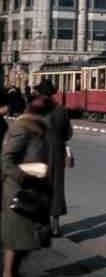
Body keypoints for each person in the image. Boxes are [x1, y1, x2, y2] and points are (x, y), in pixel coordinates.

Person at [2, 95, 55, 277]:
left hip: (32, 191)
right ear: (42, 115)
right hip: (19, 193)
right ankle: (9, 274)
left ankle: (11, 273)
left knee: (26, 241)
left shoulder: (37, 128)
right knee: (18, 242)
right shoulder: (22, 128)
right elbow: (6, 161)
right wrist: (28, 173)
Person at [35, 83, 73, 238]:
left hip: (38, 153)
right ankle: (56, 226)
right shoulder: (60, 109)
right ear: (52, 94)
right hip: (56, 153)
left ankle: (42, 226)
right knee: (56, 188)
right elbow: (68, 134)